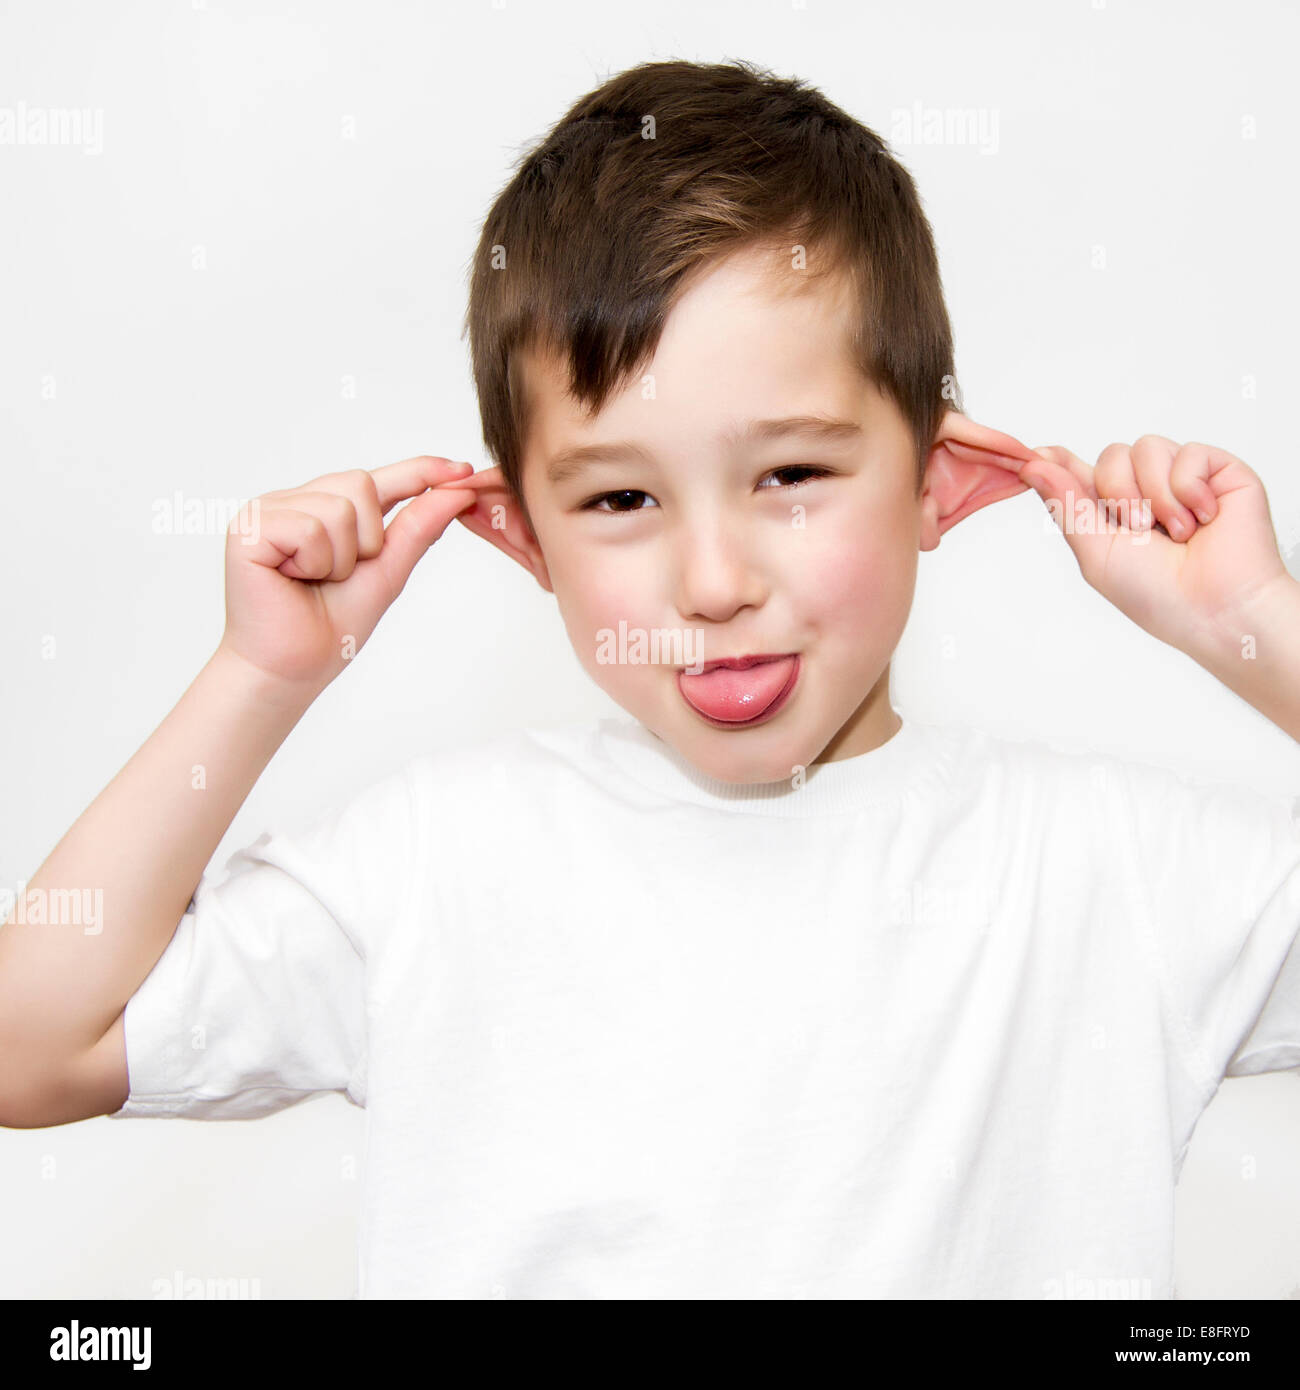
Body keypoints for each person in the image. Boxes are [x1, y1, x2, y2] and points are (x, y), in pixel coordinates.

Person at [2, 58, 1298, 1299]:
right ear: (525, 537)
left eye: (791, 474)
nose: (715, 578)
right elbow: (31, 1040)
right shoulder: (442, 864)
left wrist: (1250, 621)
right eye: (622, 496)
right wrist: (260, 672)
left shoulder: (1108, 873)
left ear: (940, 483)